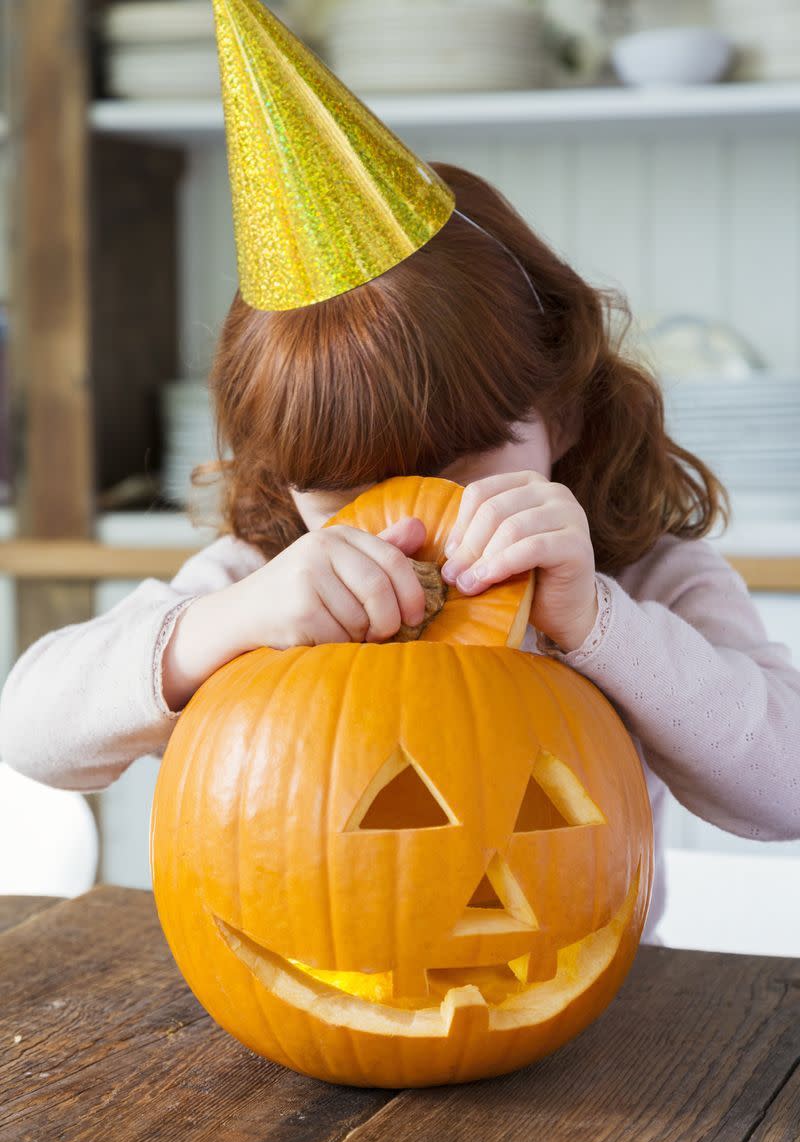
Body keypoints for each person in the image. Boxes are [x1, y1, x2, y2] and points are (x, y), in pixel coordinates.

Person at [2, 0, 799, 945]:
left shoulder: (638, 576)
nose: (409, 518)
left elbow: (784, 792)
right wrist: (227, 626)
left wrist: (597, 625)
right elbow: (31, 730)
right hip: (313, 1001)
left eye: (464, 459)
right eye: (345, 485)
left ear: (564, 407)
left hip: (589, 1029)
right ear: (282, 475)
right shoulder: (268, 583)